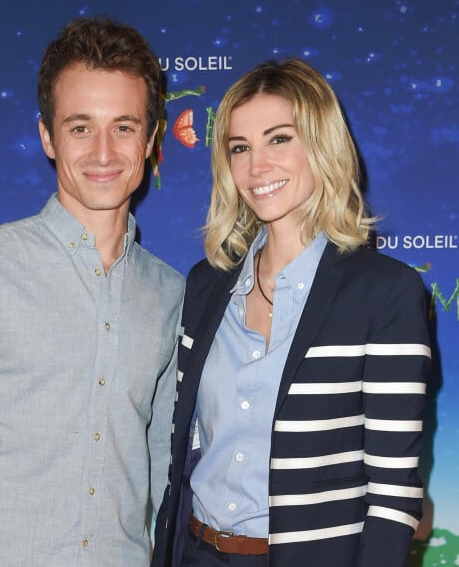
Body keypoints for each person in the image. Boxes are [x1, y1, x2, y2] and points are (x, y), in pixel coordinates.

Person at [0, 16, 184, 566]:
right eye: (80, 127)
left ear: (151, 140)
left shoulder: (170, 291)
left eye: (124, 127)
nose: (103, 152)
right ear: (47, 137)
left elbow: (162, 458)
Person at [151, 59, 431, 567]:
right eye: (240, 148)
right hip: (196, 553)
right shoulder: (205, 285)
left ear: (321, 144)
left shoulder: (386, 293)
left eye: (279, 139)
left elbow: (393, 495)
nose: (257, 166)